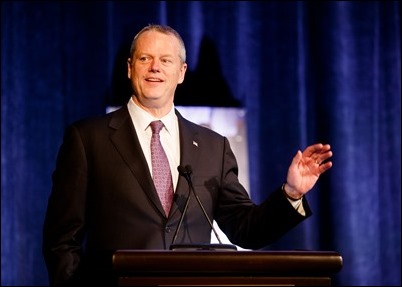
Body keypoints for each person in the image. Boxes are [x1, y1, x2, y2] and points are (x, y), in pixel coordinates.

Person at [42, 24, 333, 286]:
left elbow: (246, 229)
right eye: (145, 59)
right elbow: (61, 238)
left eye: (166, 60)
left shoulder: (212, 146)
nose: (155, 67)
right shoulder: (88, 138)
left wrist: (292, 193)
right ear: (130, 68)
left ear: (180, 72)